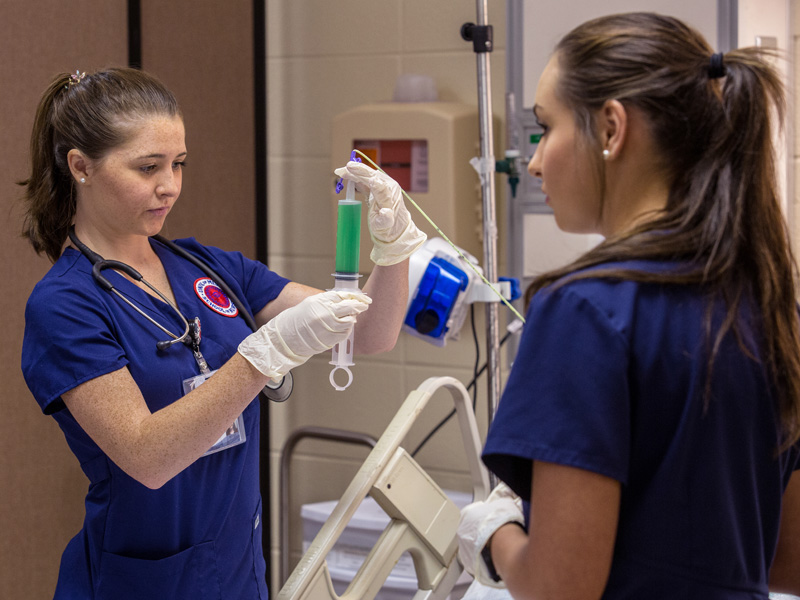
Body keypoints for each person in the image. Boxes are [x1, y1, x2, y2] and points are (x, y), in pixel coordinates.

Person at [19, 67, 425, 600]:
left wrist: (393, 252)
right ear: (80, 167)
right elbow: (148, 456)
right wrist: (264, 355)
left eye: (178, 164)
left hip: (236, 576)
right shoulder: (66, 305)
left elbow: (368, 333)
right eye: (147, 167)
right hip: (141, 583)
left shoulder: (208, 268)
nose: (169, 185)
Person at [456, 12, 800, 600]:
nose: (535, 161)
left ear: (611, 128)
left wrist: (495, 538)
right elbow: (786, 563)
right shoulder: (766, 309)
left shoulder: (584, 311)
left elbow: (558, 590)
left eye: (546, 129)